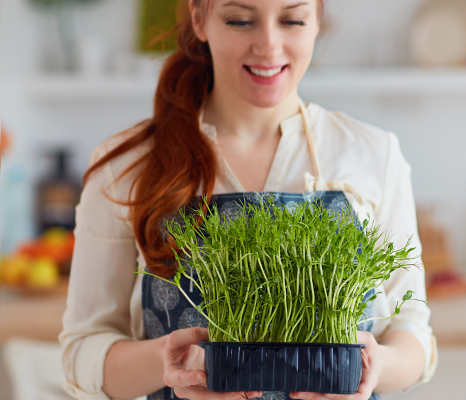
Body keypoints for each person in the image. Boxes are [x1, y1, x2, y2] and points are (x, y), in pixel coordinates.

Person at [59, 1, 438, 400]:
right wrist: (164, 362)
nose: (269, 46)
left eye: (292, 20)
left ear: (317, 22)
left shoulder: (373, 154)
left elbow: (412, 334)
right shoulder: (125, 166)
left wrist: (376, 367)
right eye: (240, 20)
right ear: (200, 18)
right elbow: (81, 352)